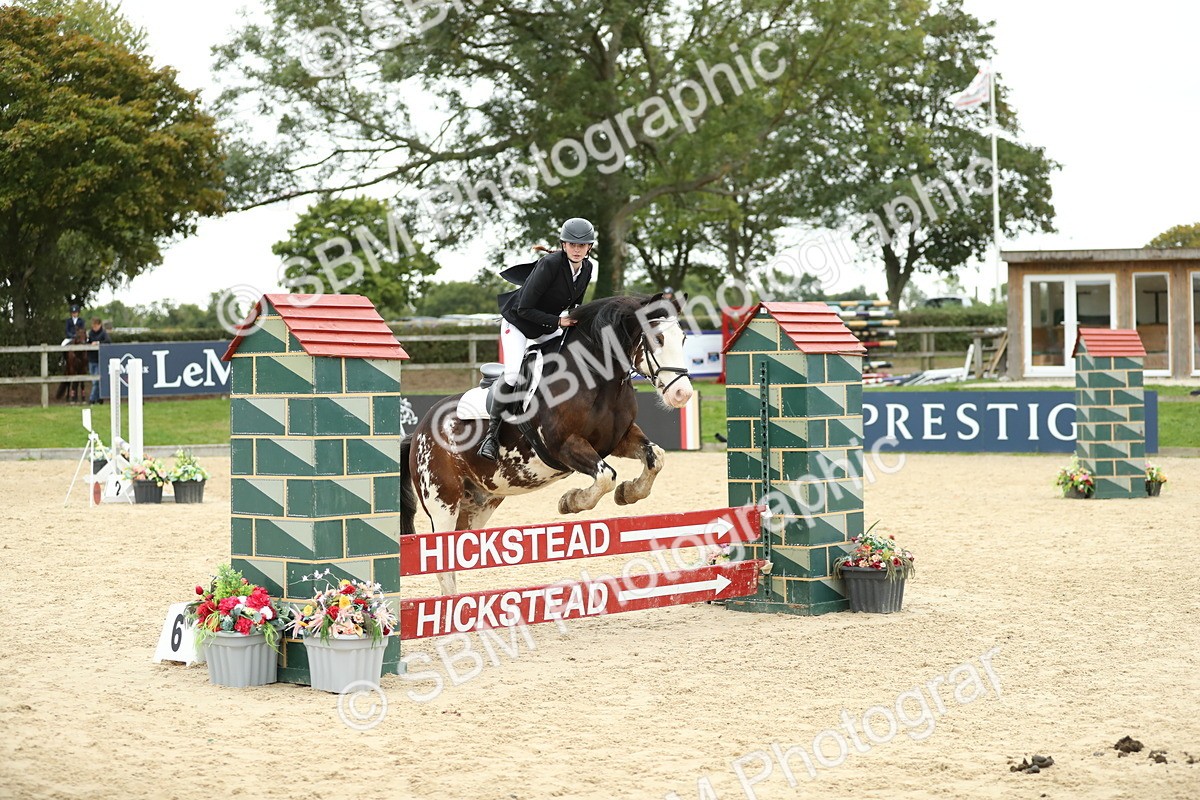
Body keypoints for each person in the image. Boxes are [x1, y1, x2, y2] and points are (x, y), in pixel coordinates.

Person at [477, 217, 595, 461]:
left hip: (548, 323)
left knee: (570, 357)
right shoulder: (549, 265)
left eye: (581, 246)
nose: (576, 249)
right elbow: (524, 309)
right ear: (563, 245)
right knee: (512, 374)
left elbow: (575, 304)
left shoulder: (587, 268)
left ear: (589, 248)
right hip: (518, 324)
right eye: (572, 244)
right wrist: (558, 322)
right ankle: (491, 436)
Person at [86, 317, 110, 404]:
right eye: (93, 325)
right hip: (91, 359)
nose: (94, 327)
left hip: (99, 359)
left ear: (99, 325)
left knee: (96, 380)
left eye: (96, 325)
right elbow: (87, 342)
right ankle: (100, 398)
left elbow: (108, 341)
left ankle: (92, 399)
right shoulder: (90, 333)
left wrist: (98, 343)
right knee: (94, 380)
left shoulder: (103, 333)